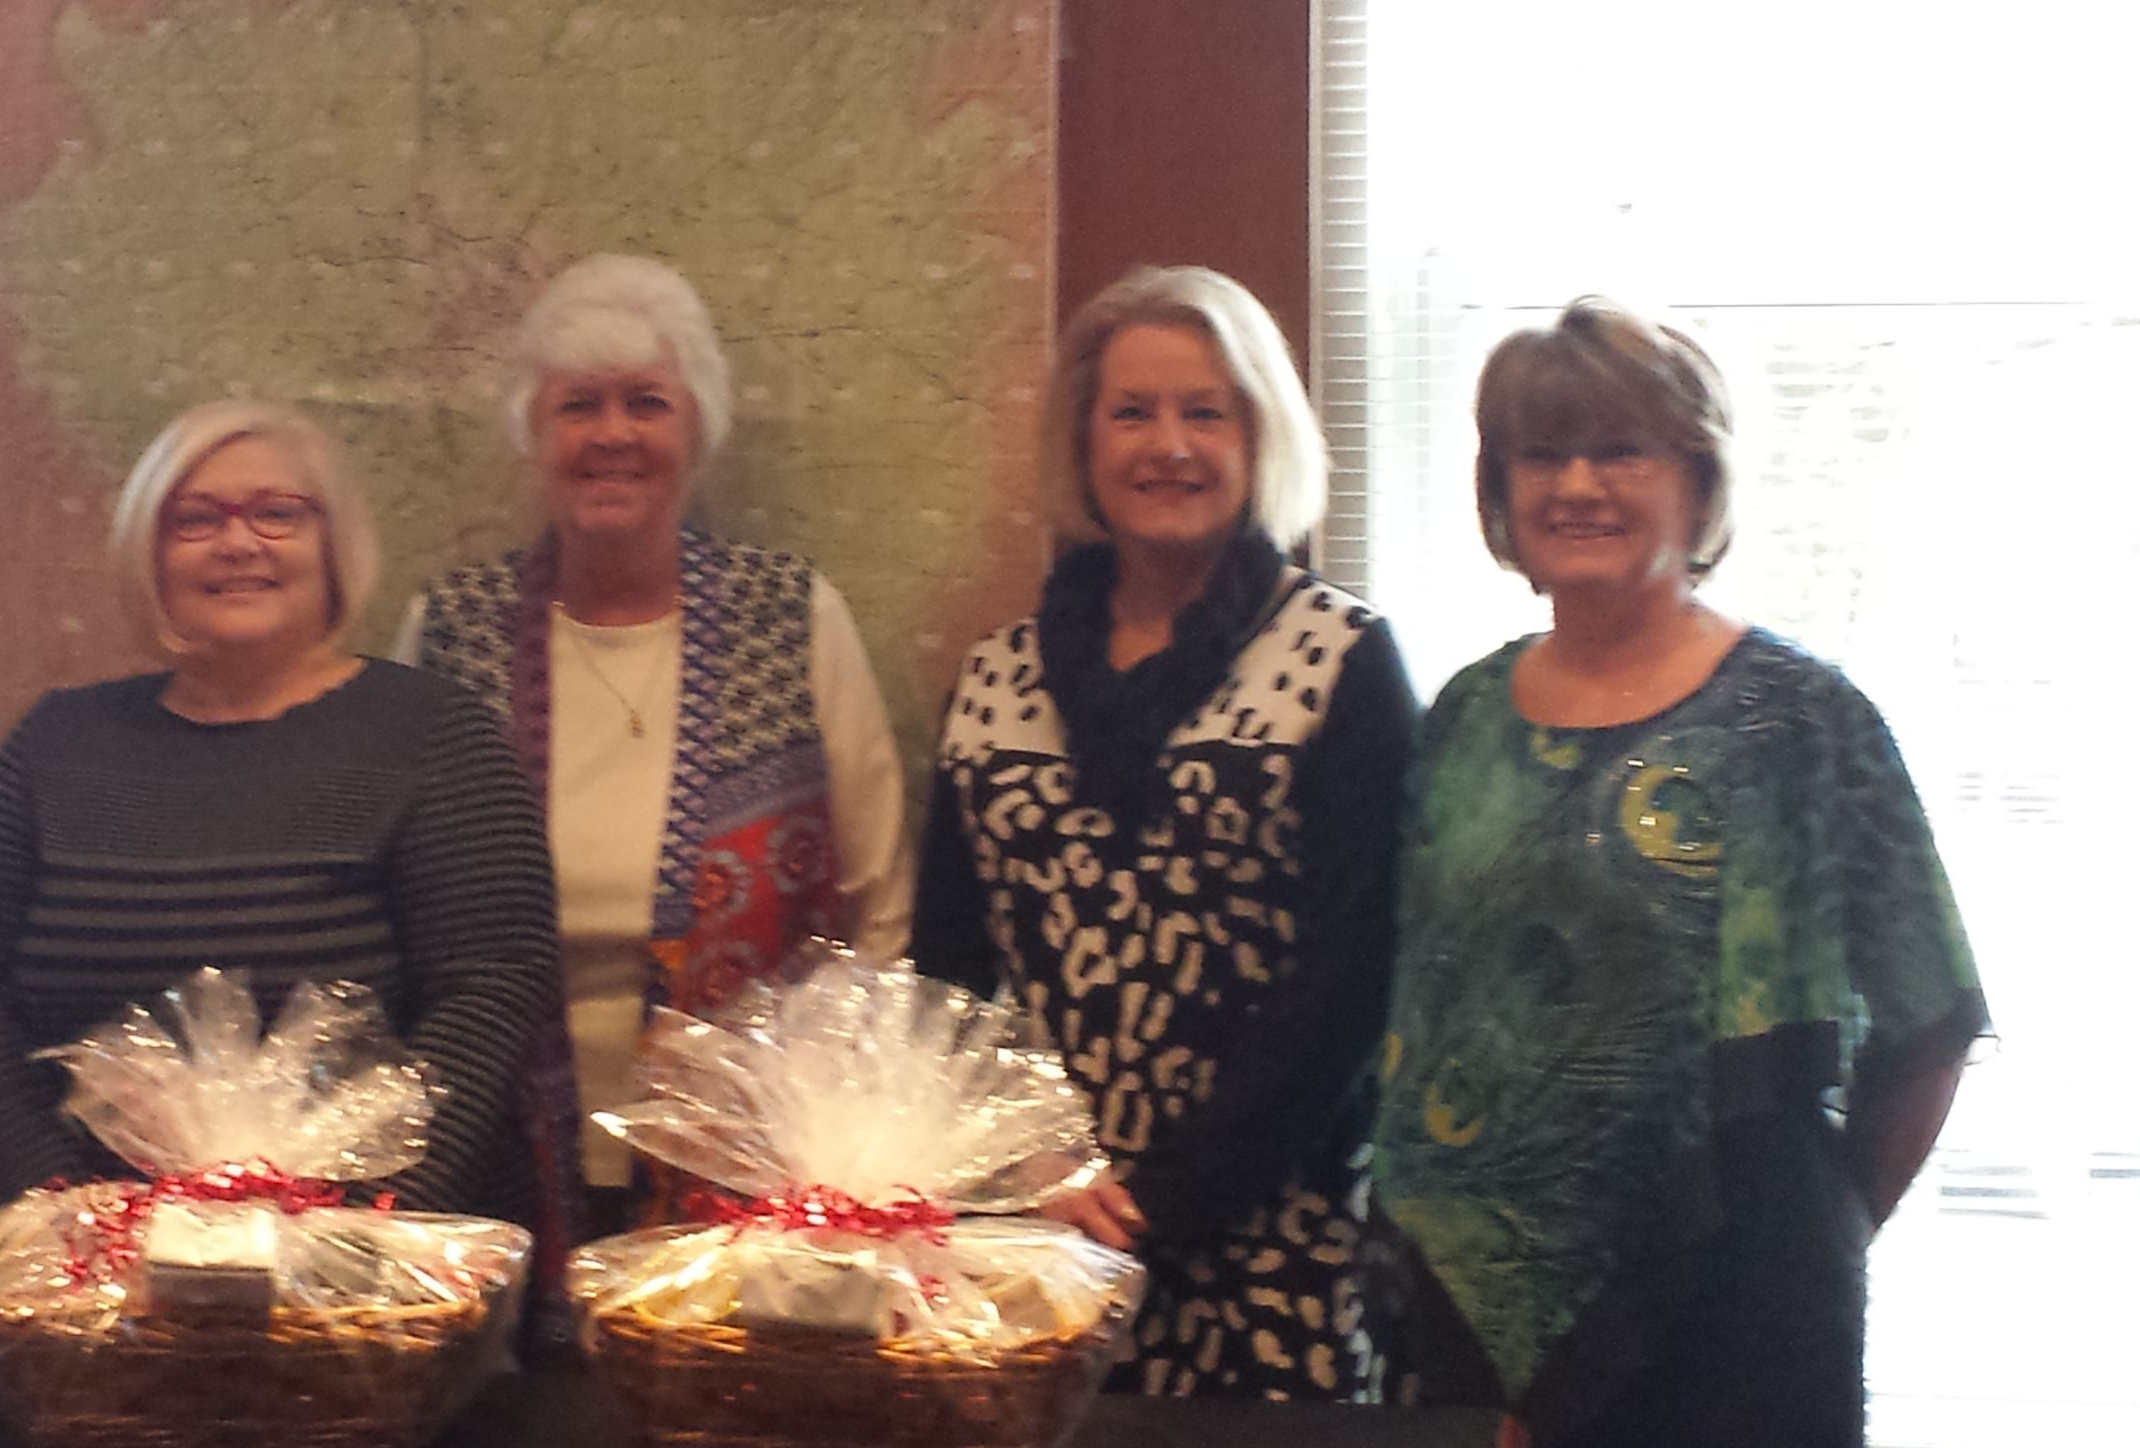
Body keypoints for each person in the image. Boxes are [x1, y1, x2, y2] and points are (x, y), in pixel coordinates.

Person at [1368, 299, 1986, 1448]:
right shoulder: (1463, 714)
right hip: (1482, 1309)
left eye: (1620, 448)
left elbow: (1931, 1022)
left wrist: (1814, 1235)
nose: (1577, 484)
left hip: (1742, 1318)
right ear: (1498, 490)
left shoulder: (1800, 715)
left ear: (1698, 482)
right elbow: (1435, 1011)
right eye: (1541, 453)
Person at [912, 263, 1415, 1401]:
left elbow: (1350, 976)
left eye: (1205, 410)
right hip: (1028, 1238)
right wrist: (1035, 1171)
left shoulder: (1341, 656)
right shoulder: (994, 676)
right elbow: (950, 973)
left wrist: (1158, 1203)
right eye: (1131, 411)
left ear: (1259, 433)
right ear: (1083, 441)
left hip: (1275, 1240)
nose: (1167, 444)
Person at [395, 253, 911, 1233]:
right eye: (579, 405)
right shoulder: (450, 630)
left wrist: (846, 1137)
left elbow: (877, 904)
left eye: (647, 402)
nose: (613, 435)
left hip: (752, 1177)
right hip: (488, 1174)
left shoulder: (792, 616)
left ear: (699, 429)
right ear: (533, 434)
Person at [0, 401, 560, 1214]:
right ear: (149, 554)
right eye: (194, 520)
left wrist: (359, 1216)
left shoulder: (435, 735)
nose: (239, 543)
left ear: (332, 544)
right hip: (86, 1259)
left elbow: (493, 990)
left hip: (381, 1265)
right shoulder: (56, 741)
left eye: (277, 514)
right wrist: (63, 1200)